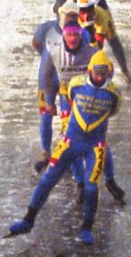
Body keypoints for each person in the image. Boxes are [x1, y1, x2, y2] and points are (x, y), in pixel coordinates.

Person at [6, 52, 123, 246]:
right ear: (90, 71)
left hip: (95, 145)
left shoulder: (114, 92)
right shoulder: (76, 84)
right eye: (98, 72)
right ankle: (28, 219)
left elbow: (114, 110)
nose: (101, 76)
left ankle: (87, 227)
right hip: (70, 141)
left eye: (105, 73)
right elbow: (70, 96)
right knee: (48, 179)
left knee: (92, 187)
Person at [34, 13, 100, 172]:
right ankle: (45, 152)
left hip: (67, 86)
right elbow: (36, 45)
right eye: (68, 34)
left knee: (69, 120)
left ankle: (69, 155)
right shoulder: (47, 28)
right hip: (48, 80)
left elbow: (93, 57)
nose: (72, 38)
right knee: (45, 115)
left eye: (74, 35)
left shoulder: (83, 34)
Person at [76, 0, 131, 88]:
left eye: (89, 9)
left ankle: (125, 71)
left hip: (103, 21)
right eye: (83, 10)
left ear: (93, 8)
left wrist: (92, 37)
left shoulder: (101, 15)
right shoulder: (75, 19)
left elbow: (99, 46)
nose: (86, 14)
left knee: (113, 41)